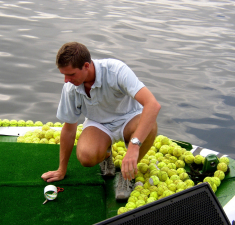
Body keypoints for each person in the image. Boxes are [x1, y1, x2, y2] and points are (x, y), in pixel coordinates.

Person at [41, 42, 161, 199]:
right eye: (63, 75)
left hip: (129, 118)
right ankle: (106, 154)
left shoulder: (116, 70)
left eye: (70, 74)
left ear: (86, 66)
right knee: (86, 156)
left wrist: (133, 146)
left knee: (150, 125)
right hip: (98, 123)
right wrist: (61, 170)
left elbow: (153, 105)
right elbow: (69, 129)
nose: (66, 80)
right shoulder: (70, 88)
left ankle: (127, 175)